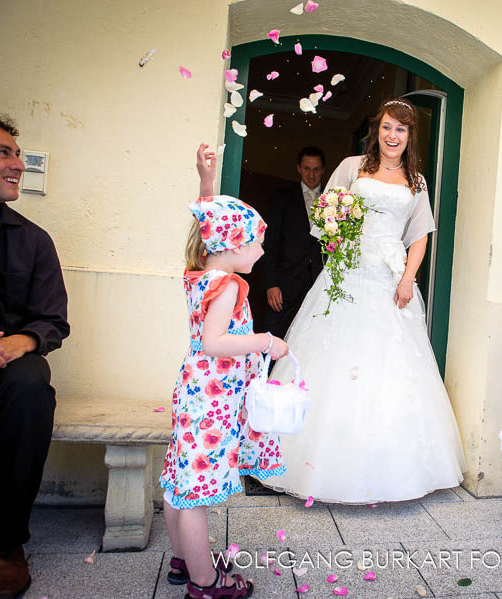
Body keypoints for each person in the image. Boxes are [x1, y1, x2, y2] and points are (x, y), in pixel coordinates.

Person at [263, 98, 466, 503]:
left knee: (390, 362)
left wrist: (409, 277)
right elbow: (322, 216)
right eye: (388, 127)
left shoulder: (417, 181)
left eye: (402, 130)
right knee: (334, 356)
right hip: (349, 272)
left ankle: (392, 469)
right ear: (378, 130)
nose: (393, 136)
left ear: (410, 136)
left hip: (390, 275)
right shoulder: (352, 167)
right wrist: (338, 235)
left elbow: (420, 235)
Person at [159, 144, 289, 598]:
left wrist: (206, 183)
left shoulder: (199, 274)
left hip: (194, 392)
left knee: (181, 484)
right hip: (213, 401)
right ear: (232, 244)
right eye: (255, 242)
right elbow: (217, 342)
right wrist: (266, 341)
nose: (259, 251)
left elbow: (207, 225)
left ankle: (183, 560)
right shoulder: (230, 284)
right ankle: (206, 582)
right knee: (195, 495)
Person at [0, 114, 69, 598]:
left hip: (7, 368)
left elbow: (51, 321)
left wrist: (16, 344)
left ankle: (7, 544)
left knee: (33, 388)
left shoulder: (34, 240)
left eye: (18, 154)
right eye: (2, 153)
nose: (17, 164)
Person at [261, 147, 326, 341]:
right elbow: (270, 243)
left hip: (319, 281)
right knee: (274, 335)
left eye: (316, 169)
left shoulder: (335, 200)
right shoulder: (282, 198)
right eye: (307, 168)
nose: (312, 174)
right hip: (285, 282)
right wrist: (270, 284)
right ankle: (269, 373)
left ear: (323, 170)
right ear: (298, 168)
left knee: (313, 337)